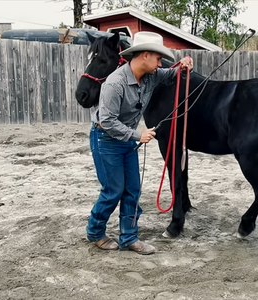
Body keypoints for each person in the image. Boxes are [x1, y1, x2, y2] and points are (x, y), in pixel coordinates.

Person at [86, 31, 193, 254]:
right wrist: (138, 135)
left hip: (125, 140)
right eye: (158, 58)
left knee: (133, 190)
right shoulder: (114, 84)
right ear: (145, 55)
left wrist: (183, 64)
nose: (160, 63)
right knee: (113, 190)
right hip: (105, 139)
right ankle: (95, 231)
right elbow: (106, 121)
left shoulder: (151, 76)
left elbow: (170, 75)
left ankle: (129, 237)